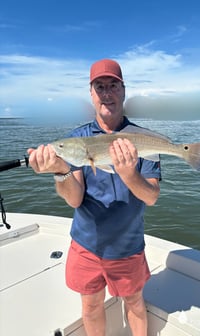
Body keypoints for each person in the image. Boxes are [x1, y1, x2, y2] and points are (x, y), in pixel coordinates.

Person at [28, 59, 161, 336]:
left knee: (135, 303)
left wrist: (129, 174)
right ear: (91, 93)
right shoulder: (77, 141)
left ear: (123, 91)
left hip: (128, 245)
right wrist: (61, 170)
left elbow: (151, 197)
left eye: (113, 85)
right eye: (100, 86)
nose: (107, 92)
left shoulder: (146, 139)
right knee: (90, 306)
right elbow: (75, 200)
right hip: (86, 244)